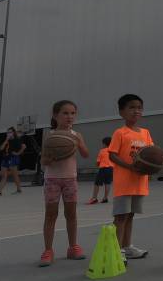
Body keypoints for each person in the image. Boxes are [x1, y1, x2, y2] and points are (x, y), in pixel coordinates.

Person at [39, 100, 89, 266]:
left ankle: (73, 247)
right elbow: (43, 161)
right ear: (55, 115)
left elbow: (86, 154)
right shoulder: (50, 136)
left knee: (71, 214)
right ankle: (48, 250)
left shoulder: (76, 135)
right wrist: (51, 157)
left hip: (70, 179)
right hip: (52, 179)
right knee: (51, 215)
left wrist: (78, 143)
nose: (69, 116)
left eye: (73, 113)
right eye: (65, 113)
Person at [107, 94, 153, 261]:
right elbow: (112, 155)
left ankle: (127, 246)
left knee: (131, 215)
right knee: (120, 216)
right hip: (124, 183)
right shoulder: (120, 133)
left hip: (140, 182)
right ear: (122, 112)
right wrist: (130, 167)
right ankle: (116, 249)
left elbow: (151, 154)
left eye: (139, 107)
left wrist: (157, 162)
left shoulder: (146, 133)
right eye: (131, 107)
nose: (136, 111)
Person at [0, 127, 25, 195]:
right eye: (7, 132)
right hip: (5, 158)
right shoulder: (7, 140)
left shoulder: (17, 140)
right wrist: (6, 140)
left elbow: (24, 147)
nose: (8, 133)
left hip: (13, 158)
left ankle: (19, 189)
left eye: (10, 132)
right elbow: (1, 148)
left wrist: (17, 153)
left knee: (15, 175)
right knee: (4, 175)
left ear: (13, 133)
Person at [88, 137, 113, 204]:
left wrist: (97, 165)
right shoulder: (113, 151)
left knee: (97, 183)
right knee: (108, 183)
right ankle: (105, 198)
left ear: (104, 144)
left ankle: (94, 198)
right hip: (111, 168)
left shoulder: (102, 151)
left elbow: (98, 162)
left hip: (103, 168)